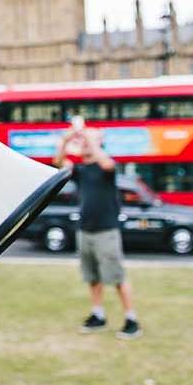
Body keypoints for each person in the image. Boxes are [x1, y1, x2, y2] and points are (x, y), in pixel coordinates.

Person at [51, 118, 141, 339]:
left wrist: (91, 140)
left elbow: (107, 164)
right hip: (85, 230)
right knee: (92, 277)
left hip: (106, 230)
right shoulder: (79, 170)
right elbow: (57, 162)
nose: (84, 142)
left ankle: (131, 319)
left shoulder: (106, 167)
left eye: (90, 139)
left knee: (117, 277)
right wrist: (66, 139)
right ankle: (98, 315)